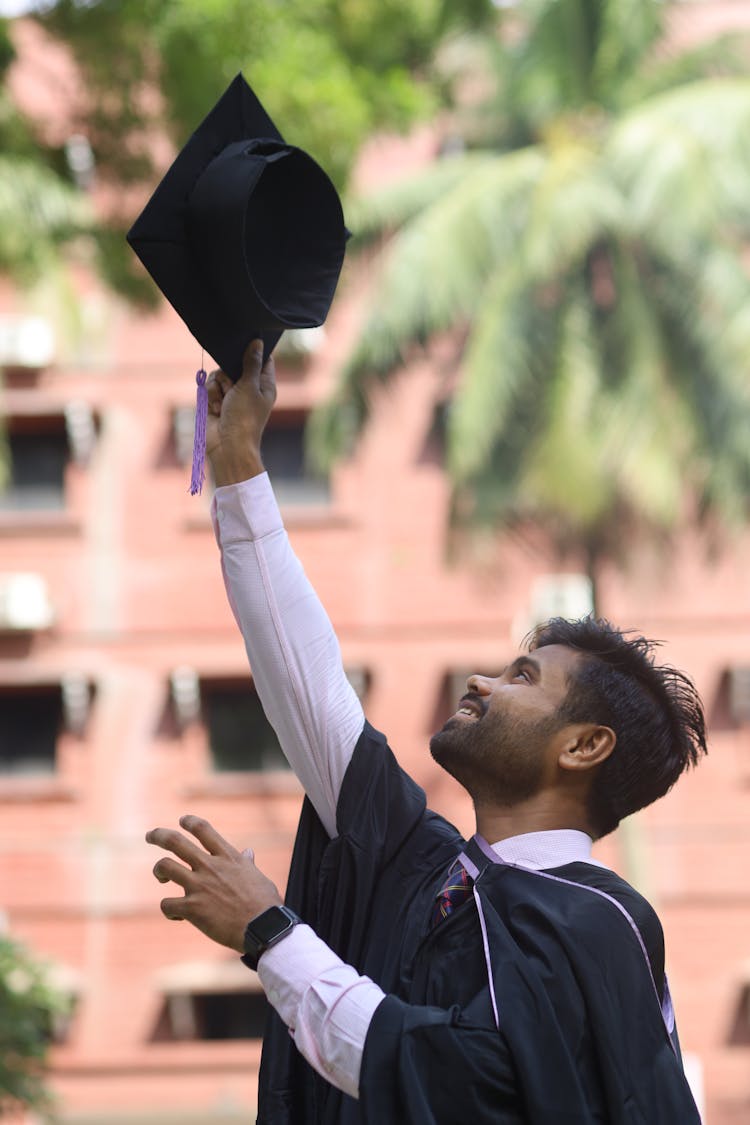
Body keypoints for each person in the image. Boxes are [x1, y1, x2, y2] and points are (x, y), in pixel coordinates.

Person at [147, 341, 707, 1124]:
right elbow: (311, 690)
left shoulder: (597, 922)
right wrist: (239, 464)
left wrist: (271, 932)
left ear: (583, 746)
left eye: (521, 677)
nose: (481, 680)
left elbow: (457, 1078)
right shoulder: (429, 871)